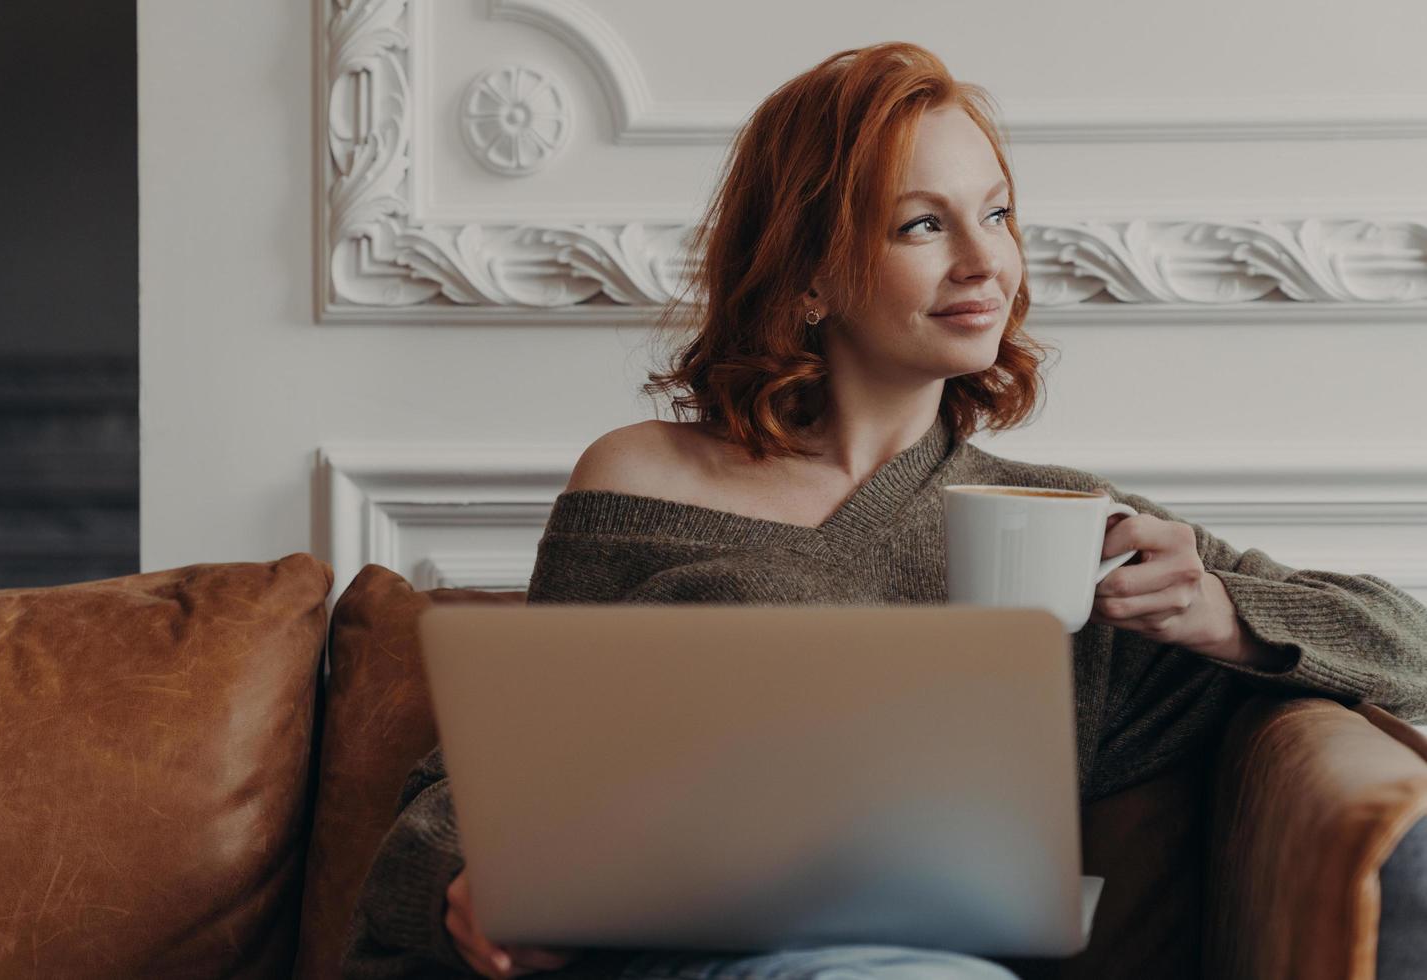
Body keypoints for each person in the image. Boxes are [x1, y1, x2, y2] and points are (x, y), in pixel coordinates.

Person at [342, 42, 1427, 980]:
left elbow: (1407, 646)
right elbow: (482, 770)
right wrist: (461, 880)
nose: (985, 260)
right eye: (923, 223)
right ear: (809, 273)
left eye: (996, 213)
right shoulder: (641, 479)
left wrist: (1218, 611)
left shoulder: (1066, 527)